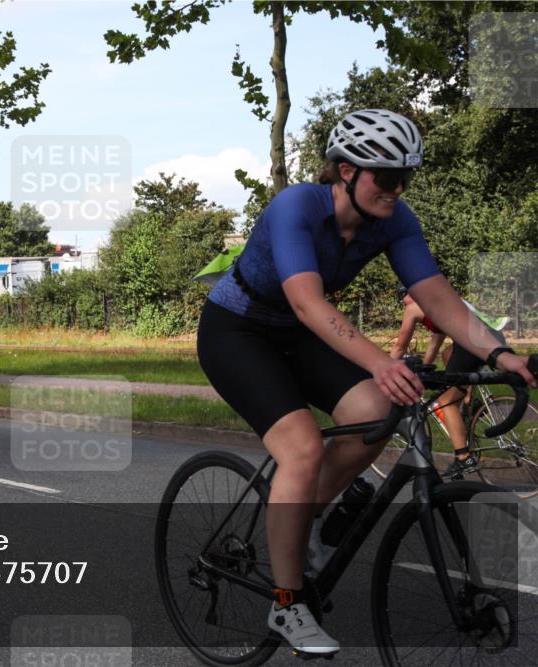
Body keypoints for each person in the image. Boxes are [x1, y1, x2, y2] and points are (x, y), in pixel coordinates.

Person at [197, 109, 536, 657]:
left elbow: (437, 297)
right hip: (239, 330)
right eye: (386, 176)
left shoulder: (394, 220)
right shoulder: (296, 208)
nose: (397, 189)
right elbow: (308, 303)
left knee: (378, 412)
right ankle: (287, 603)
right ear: (346, 171)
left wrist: (499, 351)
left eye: (406, 178)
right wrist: (382, 359)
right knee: (302, 448)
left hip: (298, 334)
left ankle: (302, 521)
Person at [390, 286, 509, 477]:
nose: (403, 301)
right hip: (491, 336)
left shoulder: (413, 307)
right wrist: (423, 369)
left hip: (473, 341)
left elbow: (399, 347)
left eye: (403, 295)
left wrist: (387, 370)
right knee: (447, 353)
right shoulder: (438, 303)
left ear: (411, 293)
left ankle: (464, 458)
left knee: (445, 402)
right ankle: (468, 399)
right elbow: (435, 345)